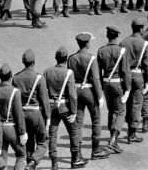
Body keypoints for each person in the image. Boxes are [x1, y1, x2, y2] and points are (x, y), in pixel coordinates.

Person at [68, 31, 109, 162]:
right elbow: (96, 79)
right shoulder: (91, 58)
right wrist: (100, 96)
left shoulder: (71, 58)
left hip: (76, 90)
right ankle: (95, 150)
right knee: (96, 120)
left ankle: (78, 153)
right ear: (87, 43)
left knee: (78, 123)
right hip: (89, 91)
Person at [45, 46, 85, 169]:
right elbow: (72, 95)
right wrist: (73, 111)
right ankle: (75, 159)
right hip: (65, 106)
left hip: (51, 105)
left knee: (52, 134)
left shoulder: (47, 72)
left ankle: (54, 163)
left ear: (56, 58)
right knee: (73, 131)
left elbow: (43, 90)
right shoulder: (68, 72)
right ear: (66, 59)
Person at [97, 25, 129, 154]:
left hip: (106, 83)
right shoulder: (121, 51)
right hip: (118, 84)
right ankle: (113, 140)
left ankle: (113, 139)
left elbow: (98, 72)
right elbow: (125, 71)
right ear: (117, 36)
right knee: (120, 112)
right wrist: (127, 89)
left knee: (111, 111)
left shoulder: (101, 50)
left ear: (107, 36)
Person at [0, 63, 27, 170]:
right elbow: (19, 114)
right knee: (22, 155)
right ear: (11, 76)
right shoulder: (15, 92)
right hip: (11, 127)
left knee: (2, 159)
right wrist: (22, 132)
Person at [121, 17, 148, 143]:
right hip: (138, 75)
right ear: (142, 28)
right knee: (136, 104)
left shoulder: (123, 42)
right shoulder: (144, 43)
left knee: (127, 103)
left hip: (125, 74)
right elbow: (147, 64)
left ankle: (128, 125)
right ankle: (132, 132)